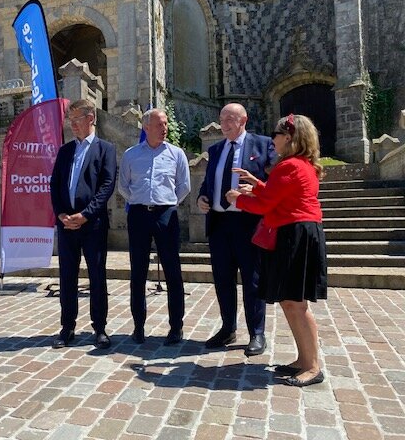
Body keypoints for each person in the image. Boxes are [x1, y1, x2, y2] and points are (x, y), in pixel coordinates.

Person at [226, 113, 327, 387]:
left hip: (295, 235)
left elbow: (265, 205)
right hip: (297, 233)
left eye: (277, 134)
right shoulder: (300, 165)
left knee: (296, 304)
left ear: (289, 137)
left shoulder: (289, 166)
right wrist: (257, 184)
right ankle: (304, 359)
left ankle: (312, 366)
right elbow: (277, 194)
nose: (272, 139)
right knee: (291, 302)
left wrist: (238, 199)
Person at [197, 103, 275, 356]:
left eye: (230, 119)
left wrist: (256, 189)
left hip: (248, 223)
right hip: (219, 224)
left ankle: (257, 333)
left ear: (243, 121)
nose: (224, 124)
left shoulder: (262, 144)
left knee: (253, 280)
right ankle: (228, 328)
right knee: (223, 279)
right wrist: (202, 198)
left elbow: (275, 182)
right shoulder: (216, 149)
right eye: (222, 119)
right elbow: (209, 182)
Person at [118, 108, 191, 345]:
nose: (164, 128)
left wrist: (167, 203)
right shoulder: (130, 155)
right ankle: (138, 326)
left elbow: (184, 186)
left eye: (166, 124)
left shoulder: (176, 154)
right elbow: (123, 186)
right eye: (160, 124)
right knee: (138, 272)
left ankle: (176, 327)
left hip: (165, 214)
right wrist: (139, 201)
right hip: (138, 215)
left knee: (172, 271)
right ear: (146, 127)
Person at [49, 100, 117, 349]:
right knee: (67, 276)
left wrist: (85, 214)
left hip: (93, 225)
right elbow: (55, 185)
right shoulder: (65, 151)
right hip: (67, 225)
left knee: (97, 275)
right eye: (71, 119)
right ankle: (67, 327)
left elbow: (107, 186)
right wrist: (61, 214)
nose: (73, 124)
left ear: (91, 118)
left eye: (77, 119)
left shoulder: (105, 149)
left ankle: (99, 327)